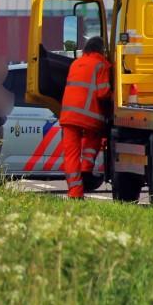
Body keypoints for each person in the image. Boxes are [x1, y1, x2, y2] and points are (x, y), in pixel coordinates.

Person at [59, 36, 112, 199]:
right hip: (90, 117)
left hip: (68, 116)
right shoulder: (101, 64)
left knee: (71, 155)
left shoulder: (75, 63)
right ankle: (86, 168)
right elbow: (103, 93)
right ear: (101, 50)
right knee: (94, 139)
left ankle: (75, 193)